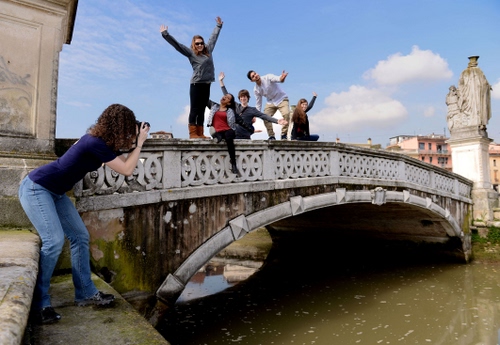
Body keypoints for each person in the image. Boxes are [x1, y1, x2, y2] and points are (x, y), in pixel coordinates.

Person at [18, 104, 150, 324]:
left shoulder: (98, 143)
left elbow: (122, 157)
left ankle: (85, 294)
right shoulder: (93, 143)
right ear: (118, 126)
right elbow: (127, 169)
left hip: (56, 192)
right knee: (54, 241)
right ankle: (40, 303)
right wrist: (141, 143)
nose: (130, 133)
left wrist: (136, 139)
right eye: (128, 128)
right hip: (37, 187)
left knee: (80, 237)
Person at [160, 17, 223, 139]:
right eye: (197, 43)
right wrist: (165, 35)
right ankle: (193, 133)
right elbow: (177, 46)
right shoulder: (191, 53)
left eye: (201, 43)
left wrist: (218, 26)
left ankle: (200, 133)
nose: (200, 45)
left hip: (207, 84)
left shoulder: (208, 50)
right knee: (195, 108)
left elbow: (213, 38)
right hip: (196, 84)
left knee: (202, 109)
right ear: (194, 45)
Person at [218, 72, 287, 139]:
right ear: (239, 98)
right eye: (241, 97)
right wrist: (221, 81)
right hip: (235, 135)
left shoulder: (252, 110)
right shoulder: (236, 106)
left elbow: (264, 116)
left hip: (245, 136)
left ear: (248, 98)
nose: (243, 98)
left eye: (245, 96)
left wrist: (277, 121)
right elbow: (226, 95)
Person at [207, 94, 253, 175]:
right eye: (224, 96)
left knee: (229, 138)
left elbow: (240, 121)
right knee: (217, 134)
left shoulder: (230, 111)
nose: (224, 97)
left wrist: (250, 128)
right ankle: (218, 136)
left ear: (229, 103)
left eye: (227, 98)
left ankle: (234, 164)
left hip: (228, 130)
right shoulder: (214, 106)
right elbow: (204, 99)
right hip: (217, 130)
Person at [247, 70, 290, 140]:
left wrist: (282, 78)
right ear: (252, 80)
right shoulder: (256, 90)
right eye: (253, 76)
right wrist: (255, 114)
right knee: (265, 117)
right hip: (270, 102)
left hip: (281, 99)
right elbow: (258, 103)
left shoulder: (268, 77)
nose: (255, 76)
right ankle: (271, 136)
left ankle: (284, 134)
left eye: (255, 73)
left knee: (286, 114)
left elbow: (278, 79)